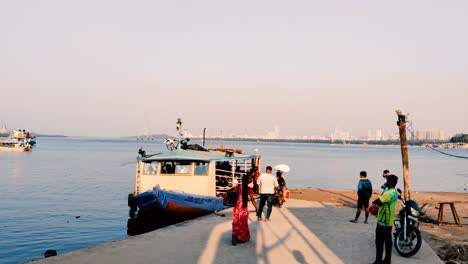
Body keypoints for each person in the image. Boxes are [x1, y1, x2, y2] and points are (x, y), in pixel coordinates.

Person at [372, 175, 399, 264]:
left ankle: (378, 261)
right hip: (389, 221)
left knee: (379, 242)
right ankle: (387, 260)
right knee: (388, 241)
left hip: (383, 221)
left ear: (389, 182)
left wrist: (373, 206)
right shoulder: (394, 192)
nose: (385, 182)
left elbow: (376, 202)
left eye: (386, 181)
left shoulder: (387, 194)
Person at [232, 173, 258, 245]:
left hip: (236, 208)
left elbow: (230, 192)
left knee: (236, 223)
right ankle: (241, 238)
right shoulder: (248, 189)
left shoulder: (237, 187)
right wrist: (256, 209)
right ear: (248, 181)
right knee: (243, 224)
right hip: (243, 209)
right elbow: (252, 199)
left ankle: (234, 235)